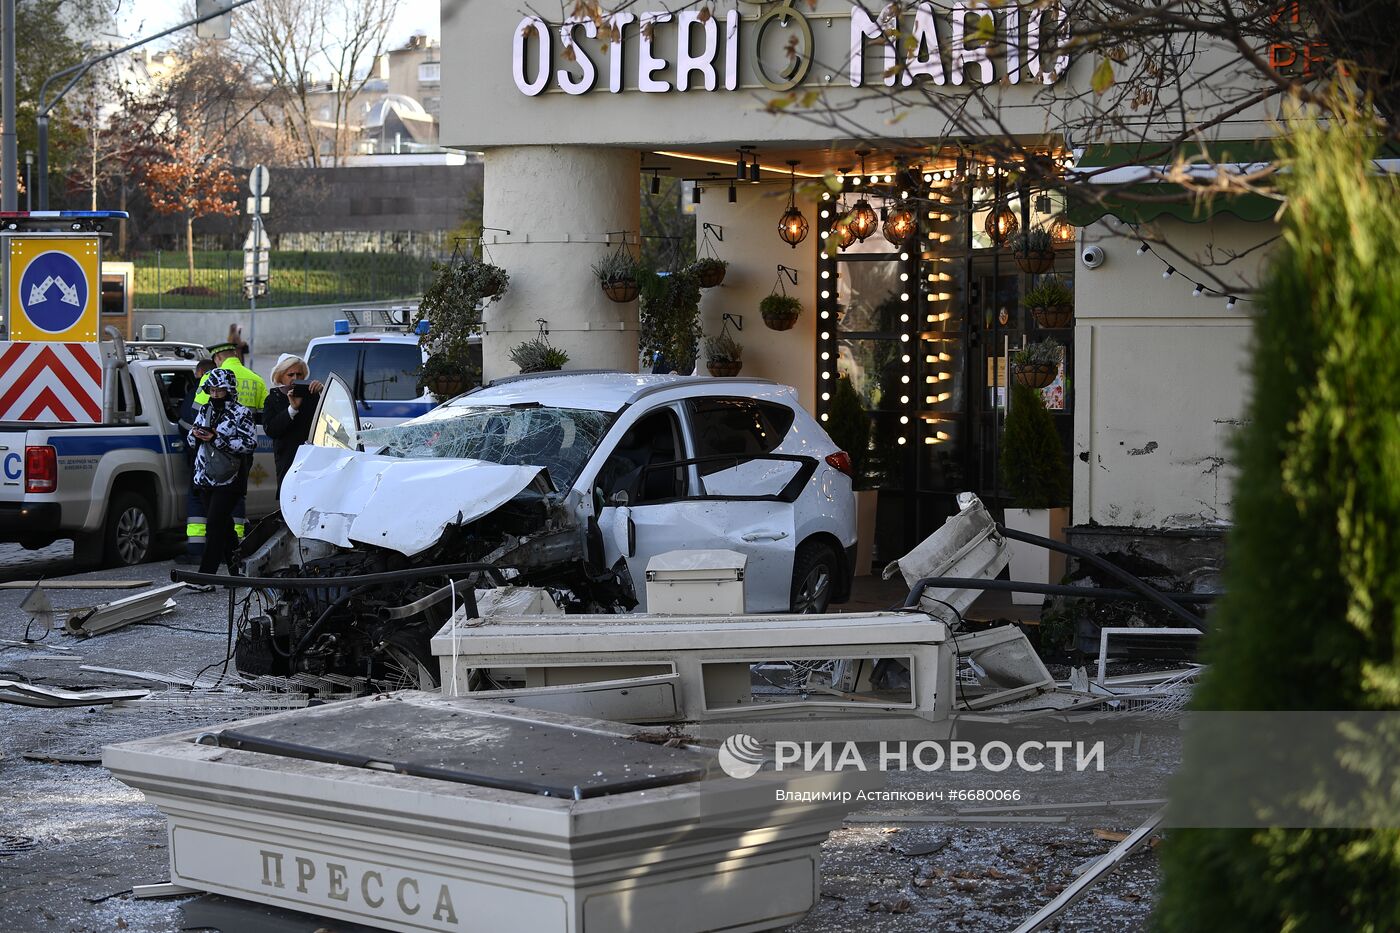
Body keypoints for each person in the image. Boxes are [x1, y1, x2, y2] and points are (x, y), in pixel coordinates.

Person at [195, 341, 267, 539]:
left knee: (220, 507)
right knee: (236, 497)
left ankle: (222, 549)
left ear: (217, 358)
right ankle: (236, 543)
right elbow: (263, 418)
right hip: (243, 455)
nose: (216, 393)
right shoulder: (257, 380)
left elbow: (196, 414)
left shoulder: (210, 379)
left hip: (215, 454)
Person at [188, 368, 256, 576]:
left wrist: (216, 439)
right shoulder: (204, 409)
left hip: (229, 479)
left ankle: (205, 576)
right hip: (204, 476)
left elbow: (249, 444)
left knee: (215, 527)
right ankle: (237, 573)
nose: (215, 395)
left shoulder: (241, 412)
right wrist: (197, 436)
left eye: (220, 391)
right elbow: (191, 441)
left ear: (229, 390)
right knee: (224, 527)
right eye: (212, 390)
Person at [263, 354, 324, 494]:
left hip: (312, 460)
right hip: (287, 460)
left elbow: (329, 421)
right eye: (290, 374)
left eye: (299, 374)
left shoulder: (313, 396)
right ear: (280, 377)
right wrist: (292, 409)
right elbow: (271, 430)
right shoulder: (273, 399)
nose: (295, 378)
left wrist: (323, 392)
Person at [177, 360, 215, 565]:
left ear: (200, 372)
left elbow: (183, 423)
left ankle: (196, 550)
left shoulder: (197, 390)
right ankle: (230, 550)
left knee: (197, 500)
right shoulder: (230, 395)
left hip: (199, 456)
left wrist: (192, 440)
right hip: (226, 461)